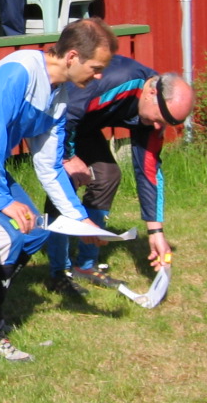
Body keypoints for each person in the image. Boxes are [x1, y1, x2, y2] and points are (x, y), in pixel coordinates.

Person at [0, 18, 118, 362]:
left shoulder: (60, 95)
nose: (98, 76)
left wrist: (80, 220)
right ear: (72, 56)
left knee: (37, 234)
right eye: (96, 67)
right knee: (8, 238)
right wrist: (4, 201)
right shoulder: (18, 72)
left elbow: (49, 166)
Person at [44, 59, 195, 296]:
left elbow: (149, 169)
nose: (157, 126)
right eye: (158, 118)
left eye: (164, 123)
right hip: (55, 117)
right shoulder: (119, 81)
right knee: (65, 183)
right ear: (152, 92)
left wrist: (156, 232)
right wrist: (67, 158)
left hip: (83, 125)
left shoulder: (154, 115)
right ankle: (58, 273)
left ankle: (86, 266)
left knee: (107, 175)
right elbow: (66, 113)